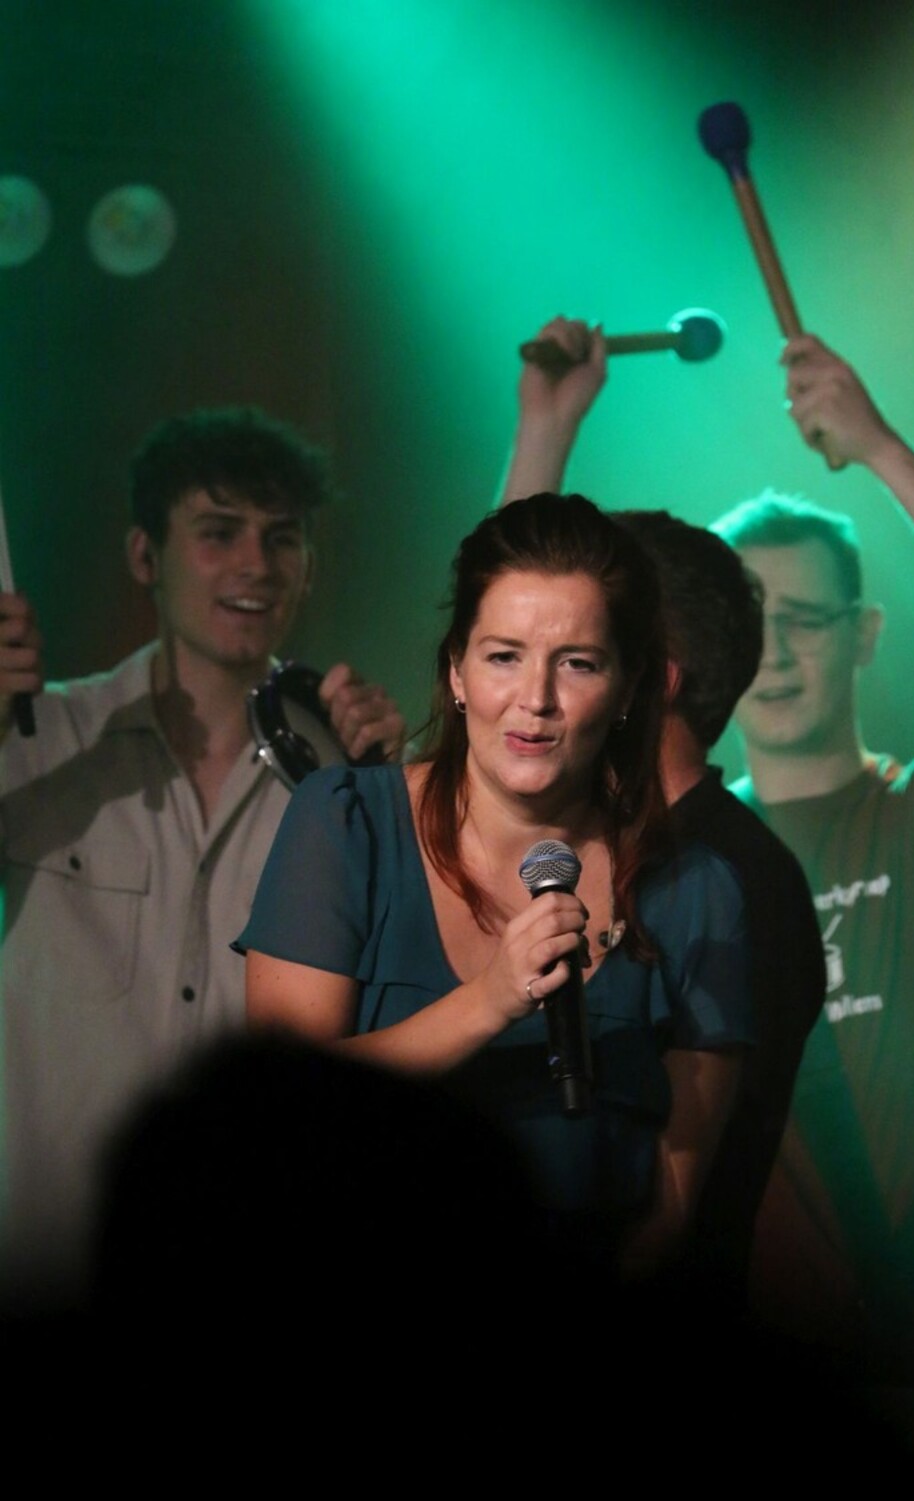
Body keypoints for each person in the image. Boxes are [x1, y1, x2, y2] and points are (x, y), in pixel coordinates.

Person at [239, 492, 755, 1283]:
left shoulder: (693, 891)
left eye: (577, 663)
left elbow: (672, 1207)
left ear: (627, 689)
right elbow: (280, 1109)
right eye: (504, 656)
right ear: (456, 670)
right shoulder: (347, 824)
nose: (535, 699)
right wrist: (488, 1000)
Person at [0, 404, 404, 1306]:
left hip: (253, 1265)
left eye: (281, 537)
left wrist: (386, 788)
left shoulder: (342, 778)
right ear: (146, 556)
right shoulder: (36, 738)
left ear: (308, 566)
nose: (256, 562)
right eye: (219, 532)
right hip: (48, 1259)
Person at [499, 317, 827, 1317]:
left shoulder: (726, 880)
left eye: (580, 653)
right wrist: (544, 431)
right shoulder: (619, 849)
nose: (540, 684)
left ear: (650, 680)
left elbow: (655, 1211)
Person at [711, 334, 914, 1398]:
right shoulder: (683, 858)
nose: (778, 652)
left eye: (807, 620)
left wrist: (880, 446)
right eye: (751, 623)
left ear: (866, 633)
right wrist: (544, 430)